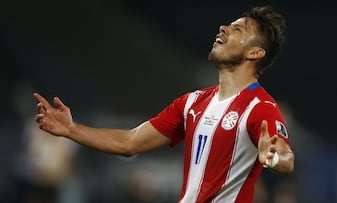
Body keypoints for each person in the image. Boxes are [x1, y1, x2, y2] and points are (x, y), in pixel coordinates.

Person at [33, 5, 295, 203]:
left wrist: (275, 157)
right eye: (228, 25)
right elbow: (130, 142)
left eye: (237, 29)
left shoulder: (260, 106)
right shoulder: (192, 103)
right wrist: (71, 130)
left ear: (255, 52)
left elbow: (284, 155)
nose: (224, 28)